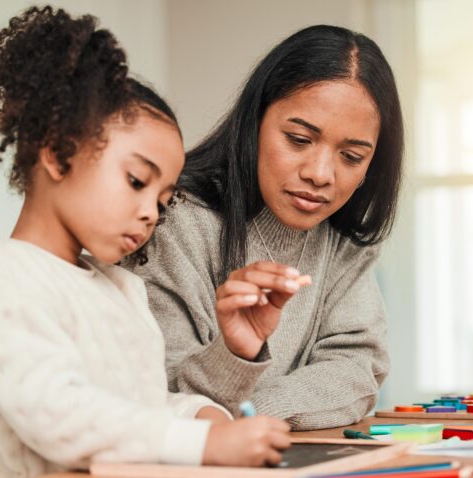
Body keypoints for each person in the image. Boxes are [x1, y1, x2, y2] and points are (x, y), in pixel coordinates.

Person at [0, 7, 291, 477]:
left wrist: (199, 414)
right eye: (135, 181)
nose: (151, 211)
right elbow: (61, 416)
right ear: (56, 151)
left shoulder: (122, 289)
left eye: (163, 201)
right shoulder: (7, 276)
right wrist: (203, 441)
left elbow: (136, 406)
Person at [123, 24, 404, 431]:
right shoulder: (167, 219)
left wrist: (252, 414)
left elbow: (358, 370)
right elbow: (162, 393)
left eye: (351, 156)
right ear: (254, 123)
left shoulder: (344, 242)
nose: (321, 174)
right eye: (298, 139)